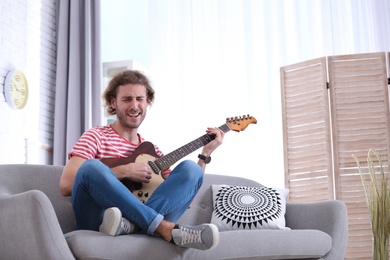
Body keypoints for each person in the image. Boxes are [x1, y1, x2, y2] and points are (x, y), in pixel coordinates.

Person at [59, 69, 225, 251]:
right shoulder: (96, 136)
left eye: (140, 99)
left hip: (134, 223)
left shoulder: (153, 152)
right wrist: (125, 171)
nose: (134, 105)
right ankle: (160, 227)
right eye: (127, 99)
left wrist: (205, 155)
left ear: (147, 103)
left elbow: (185, 199)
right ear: (113, 102)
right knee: (90, 168)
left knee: (191, 169)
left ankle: (133, 226)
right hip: (99, 220)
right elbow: (67, 184)